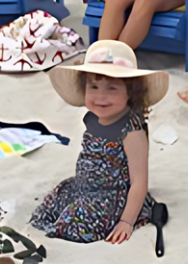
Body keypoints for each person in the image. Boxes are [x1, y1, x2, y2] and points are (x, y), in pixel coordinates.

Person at [31, 40, 168, 244]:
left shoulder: (131, 129)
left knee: (73, 224)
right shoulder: (94, 118)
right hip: (85, 187)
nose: (100, 97)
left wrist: (126, 221)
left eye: (112, 88)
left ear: (131, 92)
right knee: (51, 205)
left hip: (113, 197)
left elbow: (139, 181)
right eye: (93, 87)